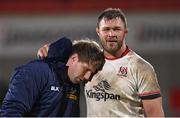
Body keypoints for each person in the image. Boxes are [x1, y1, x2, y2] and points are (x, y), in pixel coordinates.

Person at [37, 8, 164, 117]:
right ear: (98, 31)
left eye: (117, 29)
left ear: (125, 32)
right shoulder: (88, 61)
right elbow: (63, 57)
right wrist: (48, 49)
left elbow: (155, 114)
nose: (111, 34)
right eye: (106, 29)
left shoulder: (141, 67)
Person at [0, 37, 105, 117]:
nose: (88, 77)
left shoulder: (73, 85)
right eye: (86, 69)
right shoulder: (37, 71)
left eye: (91, 73)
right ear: (74, 58)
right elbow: (11, 112)